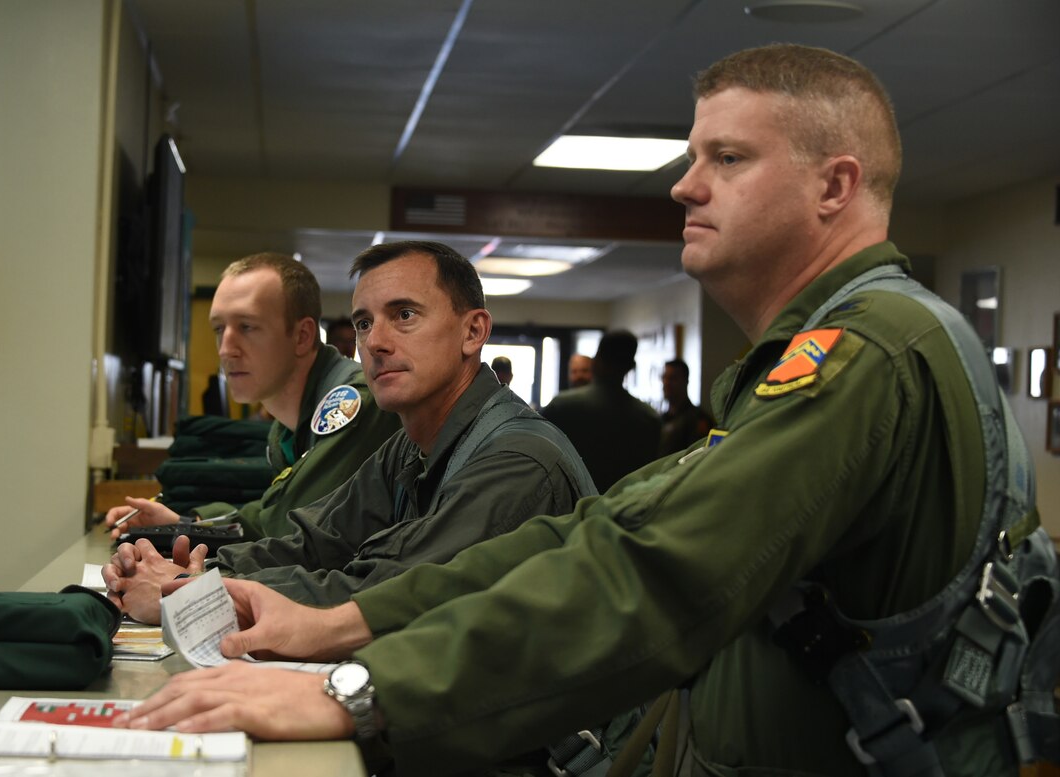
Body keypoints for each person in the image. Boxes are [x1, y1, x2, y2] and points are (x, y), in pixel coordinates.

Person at [116, 45, 1052, 777]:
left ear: (835, 186)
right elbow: (603, 530)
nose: (685, 185)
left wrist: (360, 691)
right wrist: (338, 628)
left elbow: (657, 575)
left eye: (726, 158)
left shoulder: (866, 353)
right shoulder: (834, 351)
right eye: (693, 158)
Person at [103, 240, 596, 624]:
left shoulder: (518, 462)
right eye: (364, 323)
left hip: (533, 753)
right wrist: (198, 572)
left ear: (473, 332)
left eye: (404, 315)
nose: (375, 342)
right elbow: (315, 542)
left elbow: (380, 593)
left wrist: (190, 595)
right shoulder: (411, 443)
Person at [103, 254, 399, 546]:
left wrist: (187, 532)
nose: (225, 350)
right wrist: (184, 523)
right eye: (219, 329)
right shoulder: (285, 425)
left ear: (302, 336)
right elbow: (274, 512)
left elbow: (289, 528)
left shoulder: (352, 403)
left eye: (247, 327)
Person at [542, 330, 661, 492]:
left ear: (596, 362)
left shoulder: (563, 407)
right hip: (623, 508)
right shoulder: (648, 418)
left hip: (572, 509)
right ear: (631, 367)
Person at [657, 359, 714, 456]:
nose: (666, 383)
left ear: (685, 381)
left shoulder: (698, 420)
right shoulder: (661, 419)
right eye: (664, 377)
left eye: (672, 378)